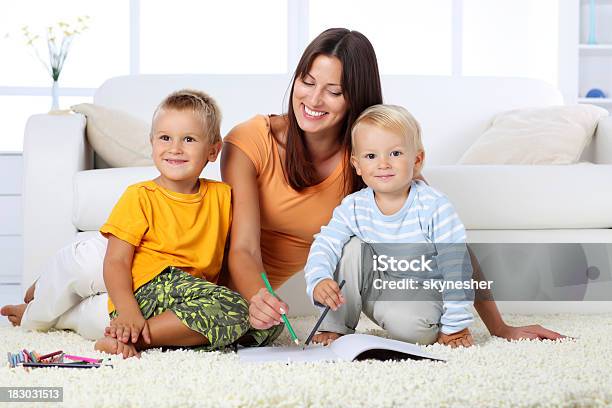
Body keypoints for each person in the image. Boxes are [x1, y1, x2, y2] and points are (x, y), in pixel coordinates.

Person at [2, 28, 563, 344]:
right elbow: (242, 248)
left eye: (333, 91)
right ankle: (37, 302)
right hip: (189, 263)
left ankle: (63, 315)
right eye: (306, 80)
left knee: (139, 318)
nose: (312, 100)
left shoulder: (371, 156)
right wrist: (253, 294)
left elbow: (439, 236)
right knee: (87, 267)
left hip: (237, 288)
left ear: (356, 99)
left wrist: (503, 326)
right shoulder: (251, 140)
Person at [304, 104, 474, 347]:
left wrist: (456, 326)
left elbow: (456, 266)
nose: (383, 164)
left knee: (417, 331)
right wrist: (318, 279)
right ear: (357, 164)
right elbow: (325, 244)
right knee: (348, 246)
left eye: (395, 154)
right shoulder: (354, 206)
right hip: (379, 288)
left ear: (417, 160)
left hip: (423, 293)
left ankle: (424, 324)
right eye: (371, 156)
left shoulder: (433, 206)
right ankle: (336, 326)